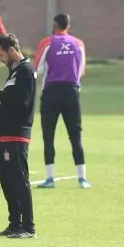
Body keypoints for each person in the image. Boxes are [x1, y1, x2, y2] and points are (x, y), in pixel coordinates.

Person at [0, 34, 37, 239]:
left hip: (16, 135)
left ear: (11, 50)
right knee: (7, 181)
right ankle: (14, 224)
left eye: (1, 55)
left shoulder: (26, 70)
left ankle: (28, 227)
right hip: (4, 134)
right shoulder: (15, 71)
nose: (0, 59)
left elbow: (22, 100)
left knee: (19, 180)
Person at [34, 13, 90, 189]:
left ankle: (50, 178)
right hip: (72, 92)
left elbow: (37, 69)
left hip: (51, 91)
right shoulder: (79, 44)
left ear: (54, 25)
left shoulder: (47, 42)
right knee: (75, 136)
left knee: (48, 135)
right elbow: (81, 70)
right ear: (68, 26)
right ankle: (82, 178)